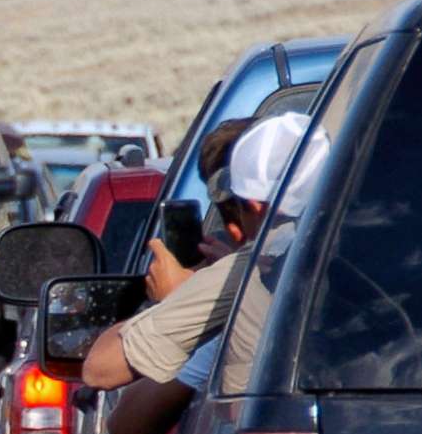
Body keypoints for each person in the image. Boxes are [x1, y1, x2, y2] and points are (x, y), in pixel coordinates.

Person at [81, 113, 312, 391]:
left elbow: (102, 370)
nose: (236, 232)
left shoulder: (247, 272)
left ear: (255, 205)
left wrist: (179, 297)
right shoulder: (357, 250)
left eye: (235, 210)